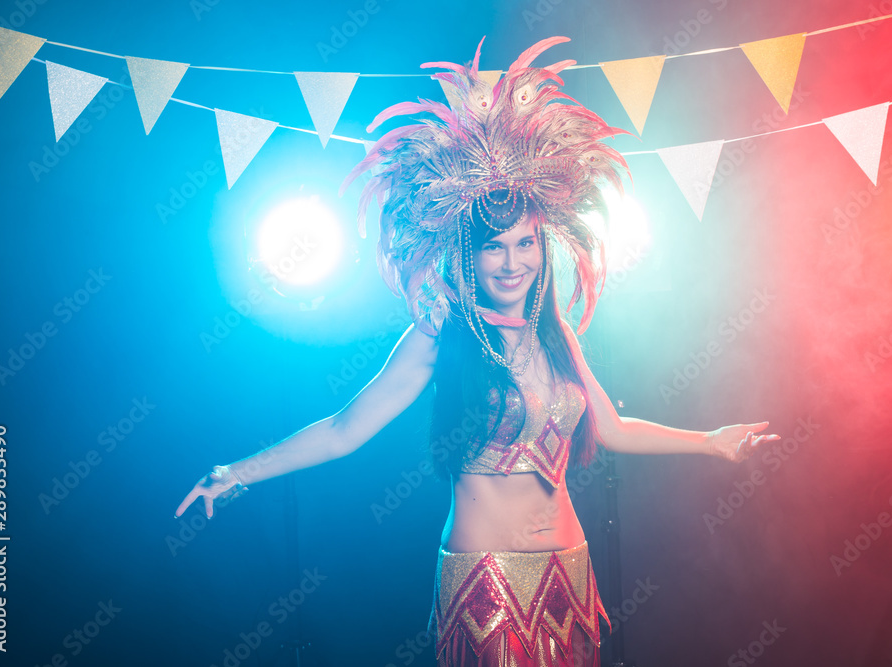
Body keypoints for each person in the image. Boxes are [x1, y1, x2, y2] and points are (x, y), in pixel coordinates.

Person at [175, 36, 779, 667]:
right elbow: (343, 431)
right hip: (486, 583)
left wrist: (712, 440)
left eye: (525, 244)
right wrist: (237, 472)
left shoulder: (557, 334)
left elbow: (615, 429)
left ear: (543, 246)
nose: (512, 262)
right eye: (495, 247)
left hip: (569, 572)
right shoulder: (440, 335)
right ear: (471, 253)